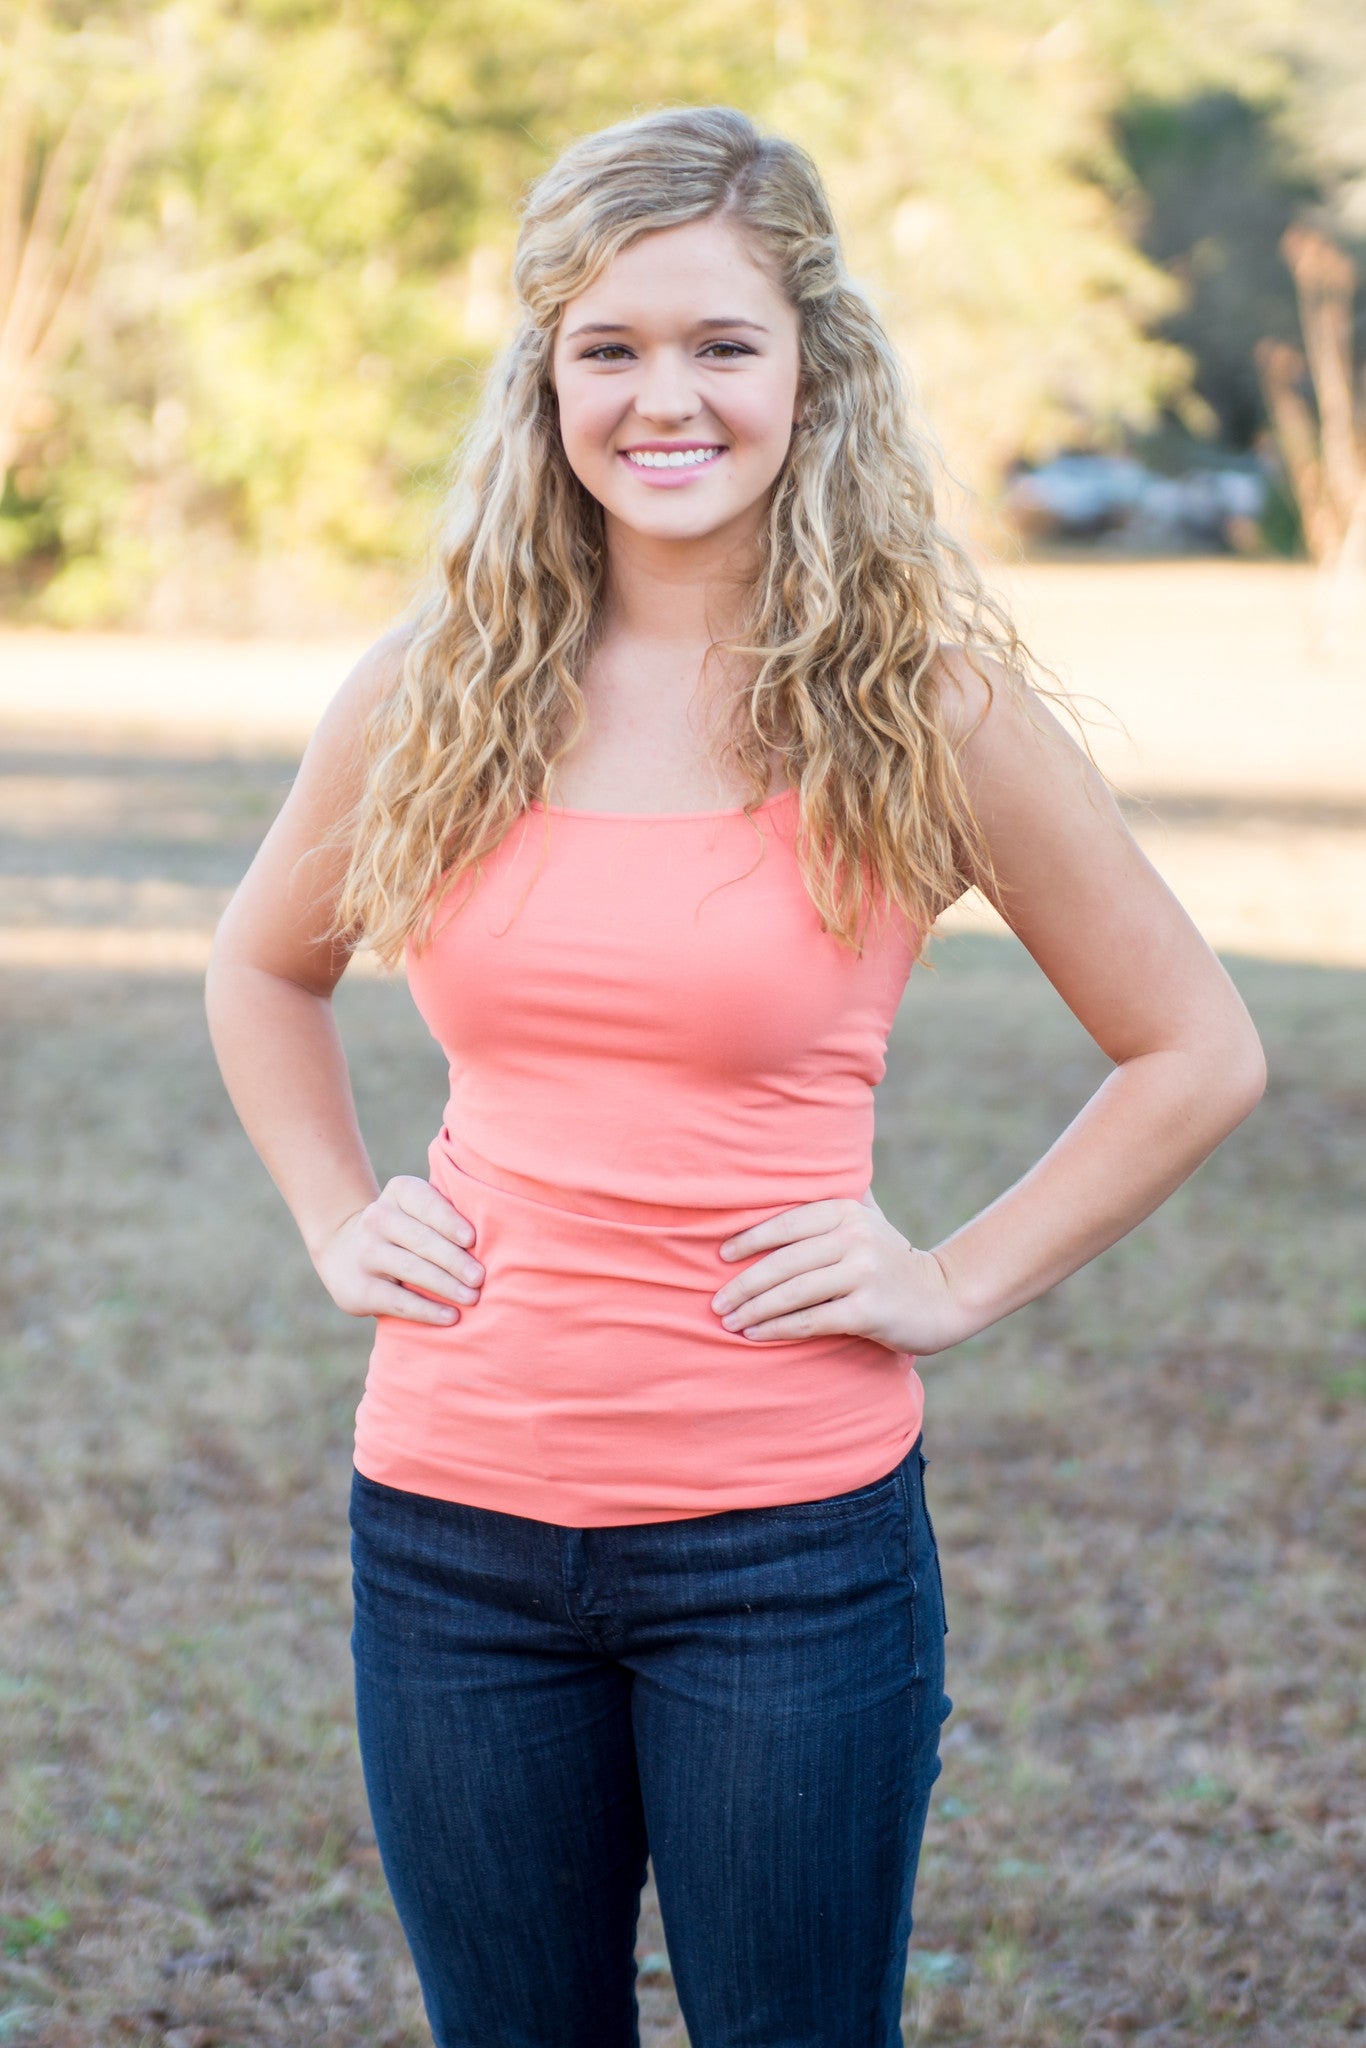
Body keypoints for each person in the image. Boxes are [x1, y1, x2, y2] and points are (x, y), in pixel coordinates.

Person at [204, 104, 1266, 2048]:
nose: (660, 397)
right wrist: (336, 1215)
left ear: (811, 370)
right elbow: (265, 967)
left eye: (717, 344)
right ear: (543, 378)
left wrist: (949, 1278)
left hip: (782, 1546)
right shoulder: (434, 682)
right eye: (607, 348)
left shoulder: (916, 700)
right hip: (446, 1533)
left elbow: (1190, 1047)